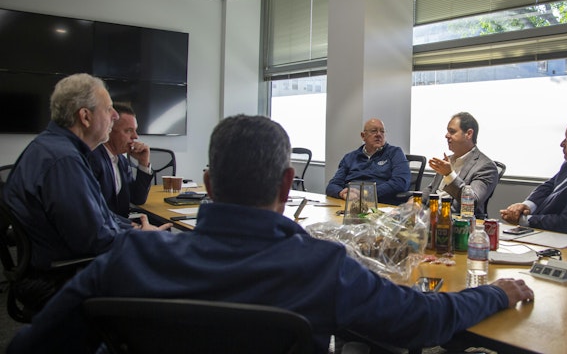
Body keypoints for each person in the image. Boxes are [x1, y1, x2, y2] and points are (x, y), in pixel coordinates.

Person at [8, 115, 534, 354]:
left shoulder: (127, 258)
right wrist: (496, 290)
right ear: (288, 183)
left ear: (208, 184)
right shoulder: (324, 269)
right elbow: (422, 322)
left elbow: (33, 348)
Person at [3, 73, 170, 312]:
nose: (114, 115)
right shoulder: (64, 161)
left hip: (56, 267)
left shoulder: (52, 148)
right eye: (109, 108)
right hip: (60, 277)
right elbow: (94, 239)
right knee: (166, 279)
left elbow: (99, 218)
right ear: (85, 116)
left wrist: (131, 228)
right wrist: (142, 237)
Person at [425, 112, 498, 218]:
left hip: (457, 223)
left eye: (452, 132)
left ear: (469, 134)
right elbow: (431, 189)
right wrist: (412, 202)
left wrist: (449, 175)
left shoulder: (486, 167)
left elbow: (472, 202)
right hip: (430, 217)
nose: (446, 135)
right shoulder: (448, 160)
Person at [87, 103, 153, 218]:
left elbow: (138, 199)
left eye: (135, 130)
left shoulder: (121, 160)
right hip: (107, 229)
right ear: (109, 130)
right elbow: (95, 211)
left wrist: (143, 163)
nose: (135, 136)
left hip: (120, 226)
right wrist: (132, 226)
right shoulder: (93, 158)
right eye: (128, 131)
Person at [326, 118, 411, 205]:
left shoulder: (395, 153)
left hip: (381, 204)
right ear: (363, 136)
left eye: (382, 131)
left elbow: (401, 182)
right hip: (351, 204)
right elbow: (332, 186)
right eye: (374, 131)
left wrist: (365, 194)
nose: (379, 134)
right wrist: (343, 194)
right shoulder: (350, 157)